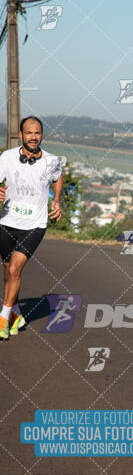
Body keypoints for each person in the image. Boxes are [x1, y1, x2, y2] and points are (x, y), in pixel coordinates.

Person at [0, 116, 63, 340]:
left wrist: (56, 200)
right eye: (29, 133)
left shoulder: (52, 160)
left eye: (37, 133)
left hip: (35, 224)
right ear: (21, 135)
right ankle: (16, 313)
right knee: (8, 272)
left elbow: (57, 177)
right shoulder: (7, 157)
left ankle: (2, 318)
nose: (34, 137)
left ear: (41, 135)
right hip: (8, 222)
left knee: (15, 269)